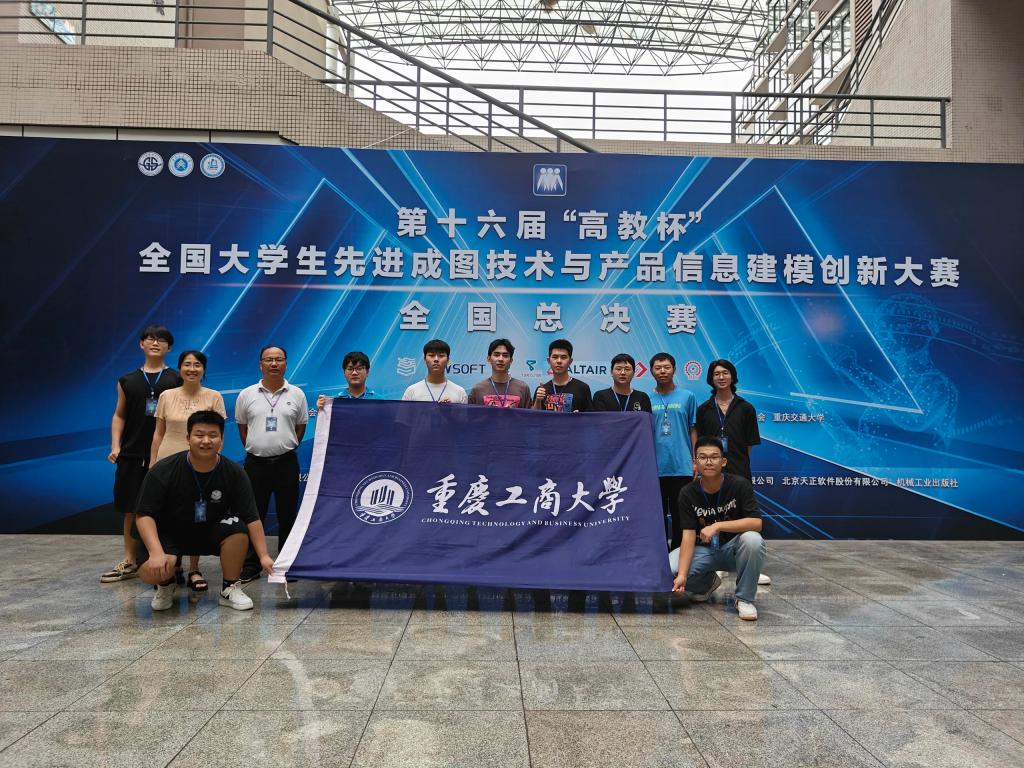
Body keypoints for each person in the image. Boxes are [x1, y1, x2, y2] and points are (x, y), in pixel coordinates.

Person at [135, 410, 274, 612]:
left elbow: (251, 517)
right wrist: (156, 553)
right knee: (153, 570)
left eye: (213, 435)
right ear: (188, 438)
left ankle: (229, 588)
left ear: (222, 439)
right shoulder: (163, 469)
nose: (206, 441)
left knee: (238, 529)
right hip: (170, 533)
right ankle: (165, 585)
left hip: (210, 530)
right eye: (199, 435)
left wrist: (263, 556)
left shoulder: (234, 472)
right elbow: (144, 514)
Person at [102, 325, 181, 583]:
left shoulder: (177, 379)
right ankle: (130, 560)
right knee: (131, 508)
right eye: (150, 338)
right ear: (141, 344)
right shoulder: (127, 380)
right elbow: (119, 415)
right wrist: (116, 446)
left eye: (161, 340)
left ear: (169, 347)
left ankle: (172, 560)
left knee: (169, 508)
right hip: (133, 454)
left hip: (167, 454)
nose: (155, 343)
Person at [149, 349, 227, 594]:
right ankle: (173, 565)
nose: (192, 369)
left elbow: (219, 434)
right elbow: (158, 433)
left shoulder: (214, 396)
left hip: (201, 463)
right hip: (168, 461)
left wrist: (215, 461)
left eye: (197, 365)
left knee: (198, 513)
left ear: (203, 369)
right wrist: (153, 463)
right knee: (169, 514)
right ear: (180, 368)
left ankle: (194, 568)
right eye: (187, 364)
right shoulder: (166, 395)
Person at [671, 436, 766, 621]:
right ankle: (706, 584)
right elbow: (688, 536)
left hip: (733, 551)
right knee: (670, 570)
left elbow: (756, 523)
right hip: (704, 551)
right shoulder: (687, 492)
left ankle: (744, 599)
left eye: (714, 457)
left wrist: (718, 525)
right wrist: (682, 575)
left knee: (753, 540)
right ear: (695, 463)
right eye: (703, 457)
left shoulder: (739, 485)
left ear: (723, 462)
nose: (708, 462)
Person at [235, 345, 309, 582]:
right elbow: (242, 428)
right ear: (261, 364)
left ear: (285, 363)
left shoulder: (297, 394)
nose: (274, 364)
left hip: (286, 463)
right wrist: (259, 448)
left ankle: (286, 563)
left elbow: (300, 427)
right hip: (255, 464)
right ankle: (251, 564)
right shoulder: (247, 394)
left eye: (279, 359)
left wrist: (283, 446)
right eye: (269, 360)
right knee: (253, 514)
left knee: (288, 514)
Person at [695, 359, 771, 586]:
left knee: (743, 517)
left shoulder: (746, 408)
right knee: (713, 514)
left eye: (725, 373)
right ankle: (717, 564)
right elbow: (701, 444)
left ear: (732, 377)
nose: (721, 377)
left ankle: (749, 568)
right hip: (711, 471)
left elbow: (748, 445)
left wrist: (734, 463)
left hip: (739, 469)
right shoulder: (704, 409)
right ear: (711, 379)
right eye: (716, 374)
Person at [648, 352, 698, 551]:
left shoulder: (687, 396)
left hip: (682, 466)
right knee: (656, 515)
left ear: (674, 369)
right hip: (654, 467)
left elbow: (693, 429)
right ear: (651, 371)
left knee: (681, 515)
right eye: (658, 368)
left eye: (667, 367)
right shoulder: (646, 399)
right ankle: (660, 554)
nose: (662, 371)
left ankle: (679, 553)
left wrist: (695, 460)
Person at [532, 339, 593, 412]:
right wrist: (538, 400)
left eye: (563, 357)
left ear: (570, 361)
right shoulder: (542, 390)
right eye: (555, 357)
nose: (559, 361)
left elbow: (590, 417)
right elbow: (534, 416)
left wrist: (579, 417)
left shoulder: (582, 388)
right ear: (549, 361)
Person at [467, 338, 532, 407]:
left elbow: (529, 413)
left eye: (505, 355)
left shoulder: (523, 388)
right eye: (496, 355)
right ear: (489, 359)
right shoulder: (477, 389)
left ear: (511, 360)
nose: (501, 359)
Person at [401, 339, 468, 403]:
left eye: (441, 356)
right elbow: (402, 411)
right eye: (431, 355)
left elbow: (465, 412)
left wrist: (451, 408)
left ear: (448, 360)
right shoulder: (412, 391)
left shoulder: (460, 392)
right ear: (424, 359)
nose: (436, 359)